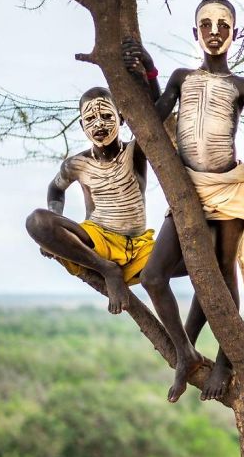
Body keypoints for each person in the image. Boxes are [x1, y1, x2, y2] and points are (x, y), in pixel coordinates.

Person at [122, 0, 244, 403]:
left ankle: (225, 361)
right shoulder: (182, 78)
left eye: (223, 25)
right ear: (195, 32)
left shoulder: (242, 86)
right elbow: (155, 114)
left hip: (229, 191)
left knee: (218, 274)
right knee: (152, 276)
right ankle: (184, 351)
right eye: (206, 25)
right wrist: (148, 70)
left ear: (234, 33)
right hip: (188, 191)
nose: (214, 32)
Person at [25, 87, 152, 315]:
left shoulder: (137, 150)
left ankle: (185, 346)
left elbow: (158, 117)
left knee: (203, 259)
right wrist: (57, 220)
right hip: (97, 241)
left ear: (121, 118)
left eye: (106, 116)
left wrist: (143, 74)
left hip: (139, 247)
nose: (99, 125)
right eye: (90, 119)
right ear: (83, 126)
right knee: (36, 221)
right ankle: (108, 270)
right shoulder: (76, 164)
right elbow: (55, 188)